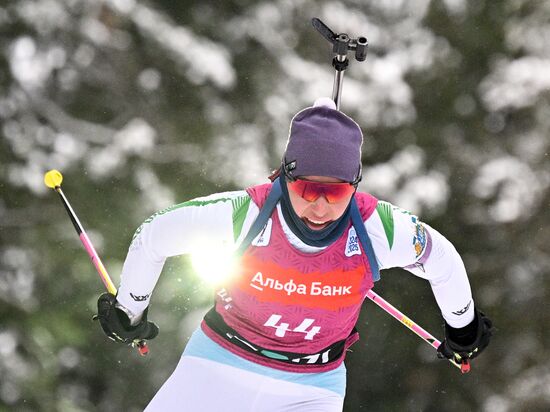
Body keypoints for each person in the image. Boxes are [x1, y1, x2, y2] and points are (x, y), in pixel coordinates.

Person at [95, 98, 492, 411]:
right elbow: (156, 234)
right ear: (285, 176)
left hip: (312, 389)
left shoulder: (378, 227)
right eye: (306, 189)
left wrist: (462, 327)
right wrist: (130, 309)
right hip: (217, 366)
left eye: (335, 192)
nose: (320, 206)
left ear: (355, 185)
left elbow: (440, 257)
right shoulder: (246, 213)